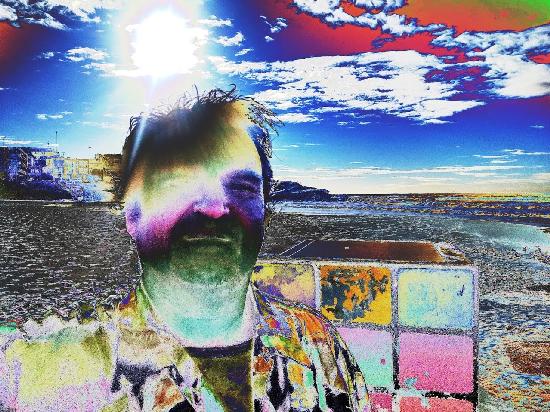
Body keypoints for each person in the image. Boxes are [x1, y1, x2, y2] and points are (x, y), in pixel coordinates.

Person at [0, 88, 369, 411]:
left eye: (241, 188)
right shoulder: (35, 371)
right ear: (131, 214)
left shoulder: (319, 347)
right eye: (178, 185)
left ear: (264, 215)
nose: (214, 208)